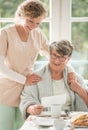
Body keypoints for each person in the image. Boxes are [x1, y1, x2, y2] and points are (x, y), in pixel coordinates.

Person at [0, 0, 49, 130]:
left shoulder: (38, 34)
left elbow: (52, 55)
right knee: (6, 127)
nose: (33, 26)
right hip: (5, 91)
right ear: (21, 15)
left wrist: (69, 70)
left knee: (25, 128)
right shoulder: (4, 34)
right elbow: (1, 67)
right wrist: (24, 79)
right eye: (30, 21)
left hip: (27, 93)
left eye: (38, 23)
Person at [20, 40, 88, 119]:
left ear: (68, 59)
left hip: (70, 120)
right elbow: (26, 99)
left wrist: (79, 89)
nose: (57, 60)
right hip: (43, 120)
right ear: (49, 54)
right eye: (54, 55)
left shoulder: (76, 79)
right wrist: (31, 108)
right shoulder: (35, 77)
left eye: (62, 57)